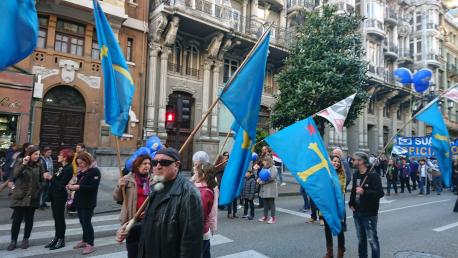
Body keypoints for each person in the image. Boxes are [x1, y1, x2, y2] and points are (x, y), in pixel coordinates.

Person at [116, 147, 203, 258]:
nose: (158, 166)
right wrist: (130, 229)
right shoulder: (156, 188)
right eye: (154, 162)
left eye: (164, 162)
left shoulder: (189, 194)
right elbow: (154, 222)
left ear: (176, 165)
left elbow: (191, 244)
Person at [8, 146, 47, 251]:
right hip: (20, 196)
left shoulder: (40, 165)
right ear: (29, 154)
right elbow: (15, 175)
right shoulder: (20, 161)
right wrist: (24, 164)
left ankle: (26, 239)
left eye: (38, 154)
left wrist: (39, 187)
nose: (37, 156)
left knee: (29, 220)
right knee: (17, 220)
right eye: (35, 154)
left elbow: (43, 179)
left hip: (33, 197)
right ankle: (13, 240)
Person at [113, 155, 152, 258]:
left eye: (149, 164)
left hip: (148, 219)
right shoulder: (127, 179)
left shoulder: (152, 180)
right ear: (138, 166)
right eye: (144, 164)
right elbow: (117, 198)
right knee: (133, 250)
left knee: (147, 250)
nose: (147, 166)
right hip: (131, 219)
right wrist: (119, 187)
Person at [349, 152, 384, 258]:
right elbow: (354, 191)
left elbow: (380, 193)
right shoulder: (356, 174)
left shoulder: (373, 175)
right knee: (361, 239)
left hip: (369, 213)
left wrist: (364, 192)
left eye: (354, 159)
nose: (352, 161)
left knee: (372, 239)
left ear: (361, 161)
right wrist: (351, 203)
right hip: (357, 212)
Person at [67, 152, 101, 255]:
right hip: (80, 201)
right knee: (82, 222)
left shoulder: (95, 171)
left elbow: (93, 187)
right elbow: (79, 183)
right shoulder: (82, 171)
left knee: (87, 223)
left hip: (88, 202)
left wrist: (78, 187)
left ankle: (90, 244)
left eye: (82, 163)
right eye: (78, 163)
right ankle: (84, 240)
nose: (80, 165)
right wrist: (72, 185)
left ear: (87, 161)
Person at [43, 148, 74, 250]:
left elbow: (61, 185)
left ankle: (61, 240)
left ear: (65, 157)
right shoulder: (62, 167)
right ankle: (56, 238)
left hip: (60, 196)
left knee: (60, 219)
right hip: (55, 196)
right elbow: (56, 179)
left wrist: (50, 178)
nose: (58, 156)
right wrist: (51, 177)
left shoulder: (69, 168)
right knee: (56, 218)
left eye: (60, 155)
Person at [323, 155, 346, 258]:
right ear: (330, 162)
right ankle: (329, 253)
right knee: (327, 230)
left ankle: (340, 253)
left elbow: (339, 188)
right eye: (334, 161)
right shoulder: (325, 173)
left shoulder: (341, 175)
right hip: (326, 206)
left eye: (338, 162)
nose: (336, 163)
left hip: (337, 207)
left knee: (339, 230)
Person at [194, 162, 218, 258]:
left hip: (199, 233)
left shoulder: (204, 193)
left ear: (202, 175)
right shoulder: (201, 188)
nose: (194, 175)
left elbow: (198, 217)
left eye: (195, 172)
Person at [256, 156, 278, 224]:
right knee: (265, 203)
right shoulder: (264, 168)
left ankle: (273, 218)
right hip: (264, 188)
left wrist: (262, 182)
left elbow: (272, 177)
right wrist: (258, 179)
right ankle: (265, 216)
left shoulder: (273, 168)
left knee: (271, 203)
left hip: (270, 188)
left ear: (268, 161)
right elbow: (261, 175)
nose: (263, 162)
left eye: (264, 161)